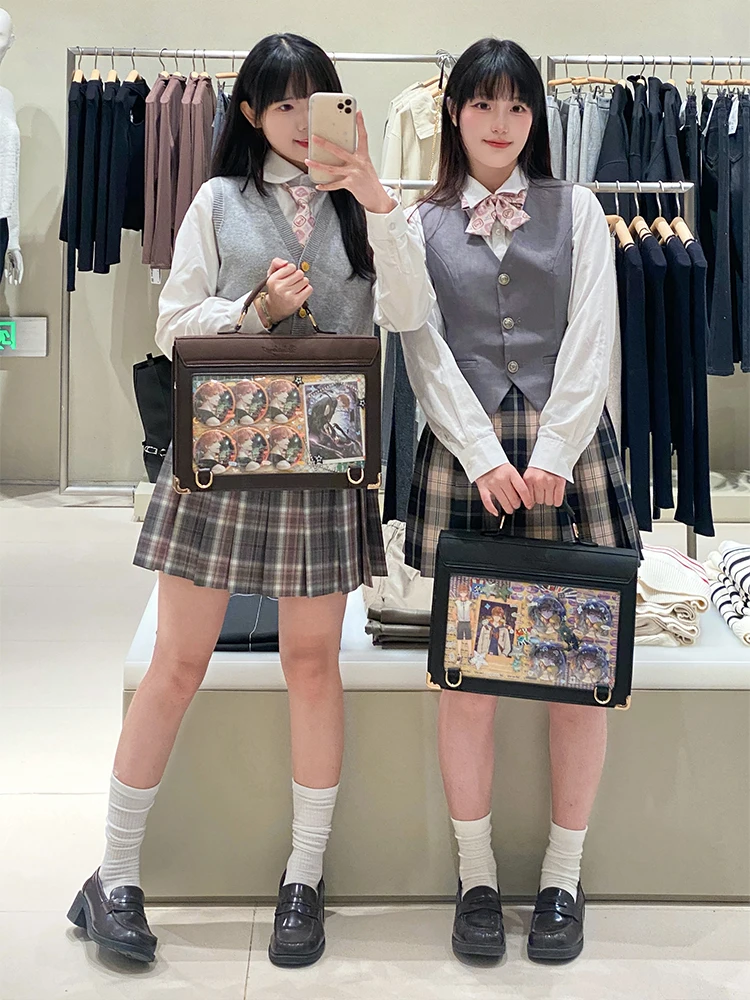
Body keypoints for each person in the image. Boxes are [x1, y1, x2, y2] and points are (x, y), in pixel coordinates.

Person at [307, 35, 640, 964]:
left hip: (570, 454)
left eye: (518, 106)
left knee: (578, 674)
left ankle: (563, 879)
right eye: (484, 104)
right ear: (453, 114)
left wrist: (557, 453)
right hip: (467, 456)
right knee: (469, 678)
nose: (501, 123)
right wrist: (485, 453)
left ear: (536, 118)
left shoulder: (579, 209)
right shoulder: (417, 220)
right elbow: (418, 342)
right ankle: (476, 879)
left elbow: (594, 338)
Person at [67, 32, 397, 969]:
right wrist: (253, 311)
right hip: (223, 448)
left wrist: (378, 199)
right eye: (282, 103)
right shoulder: (218, 200)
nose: (300, 121)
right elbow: (174, 321)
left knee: (313, 664)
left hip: (325, 462)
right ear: (250, 113)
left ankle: (304, 878)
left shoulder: (364, 207)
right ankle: (113, 877)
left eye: (315, 101)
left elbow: (408, 312)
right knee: (177, 661)